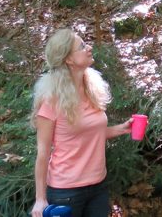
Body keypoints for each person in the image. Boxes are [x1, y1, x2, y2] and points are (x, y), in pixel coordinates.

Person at [30, 28, 133, 217]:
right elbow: (43, 153)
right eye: (82, 46)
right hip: (65, 193)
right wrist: (40, 199)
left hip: (98, 187)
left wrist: (122, 129)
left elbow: (91, 133)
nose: (89, 47)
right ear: (68, 59)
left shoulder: (92, 90)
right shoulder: (51, 100)